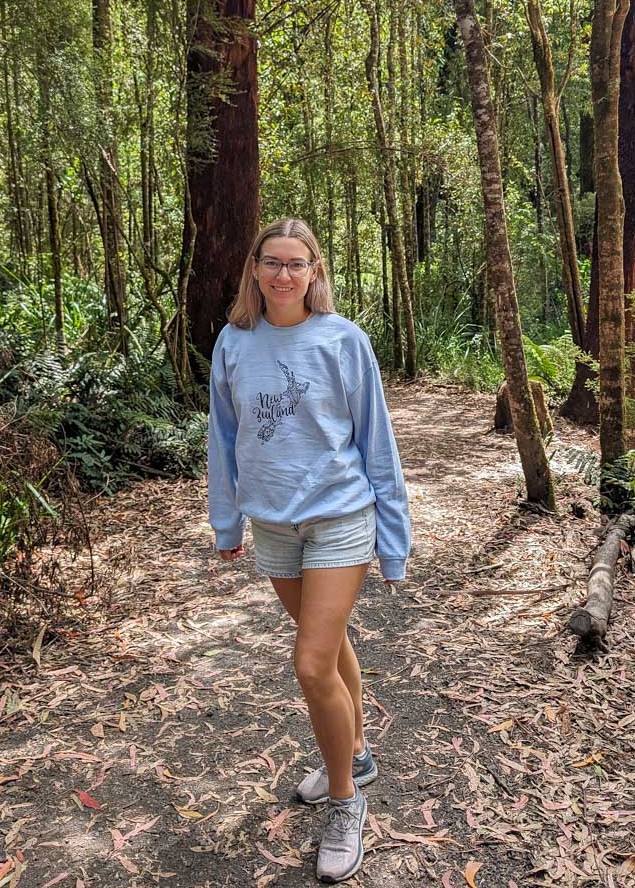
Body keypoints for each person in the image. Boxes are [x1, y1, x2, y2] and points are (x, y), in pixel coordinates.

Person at [207, 217, 411, 884]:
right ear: (255, 270)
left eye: (298, 263)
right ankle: (353, 752)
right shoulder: (235, 343)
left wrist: (393, 539)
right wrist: (226, 524)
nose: (284, 274)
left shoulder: (343, 341)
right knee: (328, 646)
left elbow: (376, 441)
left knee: (310, 663)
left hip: (338, 516)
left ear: (315, 272)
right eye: (273, 262)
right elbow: (224, 436)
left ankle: (346, 804)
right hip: (272, 523)